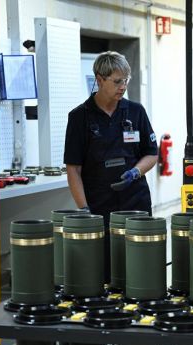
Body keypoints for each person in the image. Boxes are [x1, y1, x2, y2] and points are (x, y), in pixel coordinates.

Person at [64, 51, 158, 283]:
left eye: (126, 80)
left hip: (135, 202)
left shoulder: (135, 112)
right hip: (99, 206)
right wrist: (84, 210)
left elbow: (151, 153)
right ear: (99, 79)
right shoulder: (80, 117)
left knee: (139, 268)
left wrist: (136, 172)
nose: (123, 87)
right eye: (117, 81)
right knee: (104, 271)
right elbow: (73, 169)